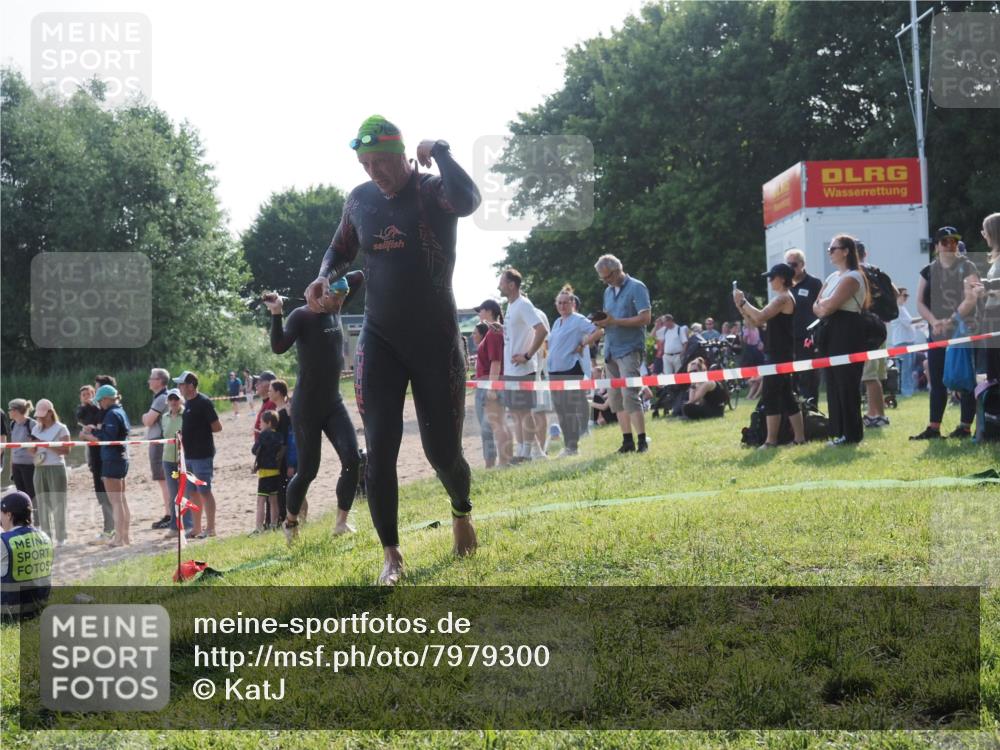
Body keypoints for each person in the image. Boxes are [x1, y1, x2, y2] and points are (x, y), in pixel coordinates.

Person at [303, 115, 481, 585]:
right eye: (366, 164)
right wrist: (324, 276)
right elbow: (339, 248)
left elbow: (469, 200)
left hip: (436, 340)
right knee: (378, 451)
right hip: (379, 340)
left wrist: (440, 149)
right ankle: (392, 554)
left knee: (442, 452)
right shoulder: (359, 201)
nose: (375, 172)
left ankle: (462, 511)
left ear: (403, 154)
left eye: (382, 161)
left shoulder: (433, 190)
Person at [268, 279, 363, 540]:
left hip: (333, 403)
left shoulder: (336, 308)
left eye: (344, 295)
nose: (342, 300)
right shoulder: (301, 316)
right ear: (322, 296)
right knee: (308, 471)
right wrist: (277, 313)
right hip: (306, 407)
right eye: (337, 296)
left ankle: (341, 522)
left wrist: (323, 277)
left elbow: (357, 276)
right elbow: (278, 347)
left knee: (353, 459)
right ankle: (291, 522)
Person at [911, 226, 981, 440]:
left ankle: (965, 427)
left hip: (963, 329)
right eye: (945, 242)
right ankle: (934, 427)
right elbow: (919, 302)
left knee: (965, 377)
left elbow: (972, 298)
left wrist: (951, 320)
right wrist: (933, 322)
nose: (950, 245)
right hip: (937, 332)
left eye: (953, 241)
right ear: (936, 246)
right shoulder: (928, 270)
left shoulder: (968, 266)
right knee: (938, 379)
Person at [734, 263, 805, 447]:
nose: (769, 280)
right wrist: (741, 307)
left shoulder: (782, 298)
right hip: (778, 352)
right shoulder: (780, 299)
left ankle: (771, 441)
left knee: (771, 395)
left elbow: (759, 317)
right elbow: (755, 321)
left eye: (772, 277)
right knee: (787, 396)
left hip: (779, 354)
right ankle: (799, 439)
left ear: (782, 278)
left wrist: (743, 301)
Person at [592, 254, 652, 453]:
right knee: (616, 398)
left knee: (630, 395)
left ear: (618, 270)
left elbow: (645, 318)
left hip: (629, 349)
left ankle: (642, 440)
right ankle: (627, 441)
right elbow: (608, 319)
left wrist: (614, 321)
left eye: (607, 277)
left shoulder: (637, 287)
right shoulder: (607, 292)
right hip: (611, 349)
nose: (605, 281)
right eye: (602, 278)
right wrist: (600, 323)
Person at [813, 235, 868, 446]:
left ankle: (852, 433)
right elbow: (817, 305)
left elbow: (830, 305)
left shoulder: (853, 276)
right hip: (830, 330)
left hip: (847, 331)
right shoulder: (832, 277)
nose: (829, 252)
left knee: (847, 383)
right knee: (833, 383)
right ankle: (839, 431)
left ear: (845, 251)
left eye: (833, 248)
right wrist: (824, 305)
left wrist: (824, 305)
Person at [498, 269, 548, 463]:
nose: (499, 285)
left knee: (524, 411)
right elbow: (518, 331)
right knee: (516, 412)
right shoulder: (511, 306)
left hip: (523, 369)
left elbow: (542, 330)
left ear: (512, 285)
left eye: (502, 282)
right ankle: (526, 452)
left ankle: (527, 453)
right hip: (512, 370)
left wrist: (527, 355)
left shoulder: (523, 304)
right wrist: (500, 327)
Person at [548, 285, 601, 456]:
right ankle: (568, 445)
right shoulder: (557, 321)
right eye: (560, 303)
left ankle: (573, 446)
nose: (562, 306)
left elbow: (598, 330)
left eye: (565, 303)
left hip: (570, 369)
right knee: (560, 410)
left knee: (569, 409)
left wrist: (583, 343)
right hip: (554, 371)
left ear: (572, 303)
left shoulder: (578, 320)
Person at [174, 371, 222, 538]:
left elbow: (217, 427)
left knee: (204, 491)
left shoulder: (203, 402)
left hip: (202, 454)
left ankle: (211, 528)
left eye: (181, 384)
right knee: (193, 492)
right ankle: (196, 528)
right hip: (189, 455)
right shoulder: (188, 403)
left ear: (191, 386)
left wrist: (198, 432)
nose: (179, 387)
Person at [81, 385, 132, 545]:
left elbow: (106, 438)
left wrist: (87, 435)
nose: (100, 404)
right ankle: (125, 537)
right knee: (122, 500)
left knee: (115, 501)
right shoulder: (121, 411)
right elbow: (111, 434)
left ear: (106, 399)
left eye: (100, 401)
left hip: (112, 459)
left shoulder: (111, 414)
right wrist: (95, 430)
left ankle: (119, 538)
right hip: (122, 457)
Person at [856, 243, 895, 429]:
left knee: (869, 376)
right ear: (866, 253)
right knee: (876, 376)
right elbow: (894, 293)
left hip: (868, 329)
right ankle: (878, 415)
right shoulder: (877, 271)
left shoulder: (859, 274)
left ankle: (875, 416)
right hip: (881, 328)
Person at [0, 491, 52, 620]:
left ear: (9, 515)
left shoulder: (4, 541)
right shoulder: (45, 537)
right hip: (38, 608)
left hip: (10, 613)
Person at [28, 399, 71, 545]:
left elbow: (66, 450)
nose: (40, 418)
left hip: (56, 467)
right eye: (38, 416)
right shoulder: (35, 429)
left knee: (58, 502)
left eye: (43, 415)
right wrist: (32, 445)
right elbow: (31, 451)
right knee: (42, 503)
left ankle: (61, 537)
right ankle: (46, 537)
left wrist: (46, 444)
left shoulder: (61, 428)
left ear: (51, 413)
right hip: (39, 468)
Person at [784, 248, 823, 406]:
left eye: (794, 264)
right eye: (788, 265)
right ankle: (794, 410)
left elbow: (821, 310)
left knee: (808, 375)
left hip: (808, 338)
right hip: (789, 337)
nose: (791, 268)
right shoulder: (786, 286)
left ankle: (811, 408)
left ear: (802, 264)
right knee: (790, 376)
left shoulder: (814, 283)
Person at [76, 382, 114, 541]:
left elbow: (98, 432)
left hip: (102, 456)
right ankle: (110, 527)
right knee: (102, 494)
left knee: (107, 495)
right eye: (83, 395)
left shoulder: (101, 411)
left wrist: (88, 432)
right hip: (94, 456)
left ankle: (110, 528)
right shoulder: (82, 410)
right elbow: (80, 419)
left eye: (89, 394)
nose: (87, 397)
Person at [142, 368, 173, 529]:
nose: (149, 380)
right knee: (164, 479)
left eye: (151, 378)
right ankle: (170, 514)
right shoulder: (161, 397)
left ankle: (170, 515)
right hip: (160, 440)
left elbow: (148, 420)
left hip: (159, 441)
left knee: (163, 479)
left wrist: (145, 417)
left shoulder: (161, 398)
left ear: (159, 381)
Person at [160, 389, 193, 538]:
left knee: (185, 493)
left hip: (184, 459)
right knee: (173, 494)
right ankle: (174, 527)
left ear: (180, 400)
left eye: (176, 399)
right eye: (171, 399)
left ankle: (188, 525)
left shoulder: (186, 414)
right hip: (168, 459)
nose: (173, 402)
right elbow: (166, 435)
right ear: (168, 401)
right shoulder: (165, 417)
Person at [251, 411, 284, 534]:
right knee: (273, 500)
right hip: (275, 472)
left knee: (261, 501)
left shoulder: (264, 435)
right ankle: (274, 525)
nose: (260, 425)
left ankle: (259, 528)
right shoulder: (279, 436)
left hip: (265, 473)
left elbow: (254, 450)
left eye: (262, 422)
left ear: (269, 423)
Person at [267, 378, 293, 524]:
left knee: (284, 488)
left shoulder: (285, 413)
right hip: (277, 456)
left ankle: (285, 517)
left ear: (278, 392)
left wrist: (285, 460)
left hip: (284, 456)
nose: (269, 392)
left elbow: (287, 440)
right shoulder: (276, 411)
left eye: (271, 390)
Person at [6, 400, 36, 514]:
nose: (8, 412)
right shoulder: (12, 424)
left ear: (16, 411)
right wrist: (11, 468)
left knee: (31, 494)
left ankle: (36, 519)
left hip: (29, 465)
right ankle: (25, 519)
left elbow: (37, 446)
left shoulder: (31, 424)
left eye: (10, 410)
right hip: (16, 465)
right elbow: (13, 447)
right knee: (21, 494)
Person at [890, 288, 918, 398]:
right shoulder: (897, 309)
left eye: (907, 295)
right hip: (902, 343)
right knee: (904, 369)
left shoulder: (902, 308)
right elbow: (909, 322)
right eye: (904, 295)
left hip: (908, 342)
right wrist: (925, 317)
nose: (906, 298)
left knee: (909, 368)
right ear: (897, 296)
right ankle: (904, 391)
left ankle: (909, 390)